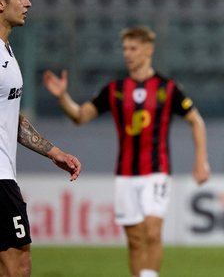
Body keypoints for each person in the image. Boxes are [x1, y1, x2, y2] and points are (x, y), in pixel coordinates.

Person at [42, 25, 210, 277]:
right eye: (125, 49)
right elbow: (79, 116)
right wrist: (63, 97)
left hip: (157, 170)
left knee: (152, 231)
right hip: (125, 173)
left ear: (148, 50)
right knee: (134, 239)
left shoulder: (168, 88)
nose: (127, 54)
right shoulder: (115, 89)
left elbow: (196, 120)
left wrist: (201, 161)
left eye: (133, 48)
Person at [0, 0, 81, 277]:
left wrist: (53, 151)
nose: (28, 3)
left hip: (5, 175)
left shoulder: (6, 51)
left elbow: (8, 117)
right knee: (19, 266)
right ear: (0, 3)